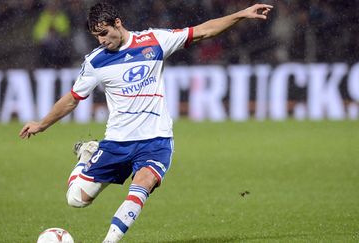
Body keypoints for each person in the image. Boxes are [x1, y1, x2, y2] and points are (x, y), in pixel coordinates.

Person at [19, 2, 272, 242]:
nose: (102, 40)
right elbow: (73, 99)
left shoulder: (155, 41)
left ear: (118, 23)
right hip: (117, 142)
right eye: (97, 37)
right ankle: (87, 155)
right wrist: (42, 124)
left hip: (156, 139)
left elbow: (204, 31)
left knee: (143, 183)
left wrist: (241, 14)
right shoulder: (96, 61)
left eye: (105, 33)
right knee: (76, 200)